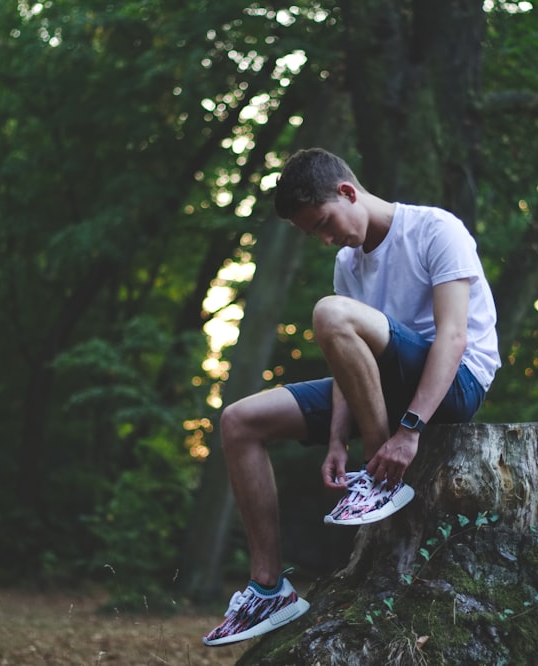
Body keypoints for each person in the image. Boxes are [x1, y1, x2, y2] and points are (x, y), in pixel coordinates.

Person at [202, 148, 500, 646]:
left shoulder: (435, 229)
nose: (325, 239)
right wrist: (337, 438)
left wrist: (407, 433)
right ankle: (269, 588)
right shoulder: (349, 264)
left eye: (324, 223)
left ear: (347, 192)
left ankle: (380, 477)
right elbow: (347, 364)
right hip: (379, 389)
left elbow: (453, 339)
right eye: (312, 234)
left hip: (453, 384)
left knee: (331, 314)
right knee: (239, 421)